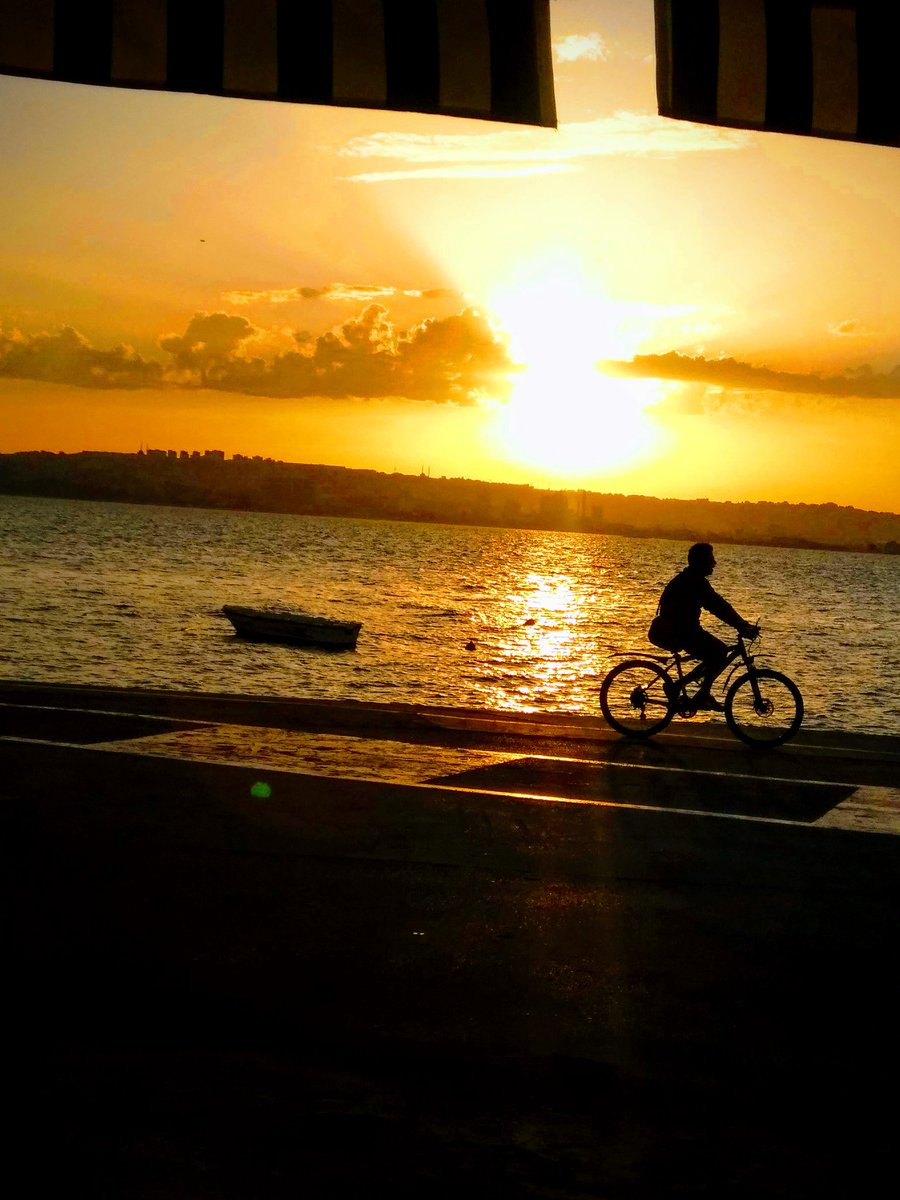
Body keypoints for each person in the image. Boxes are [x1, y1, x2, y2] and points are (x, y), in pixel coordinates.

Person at [649, 543, 758, 711]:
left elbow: (720, 606)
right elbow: (719, 607)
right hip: (681, 631)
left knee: (714, 654)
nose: (714, 563)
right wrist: (742, 626)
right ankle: (703, 694)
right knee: (720, 652)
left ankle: (679, 686)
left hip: (684, 629)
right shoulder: (695, 582)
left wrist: (742, 624)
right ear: (701, 562)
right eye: (711, 559)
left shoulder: (689, 578)